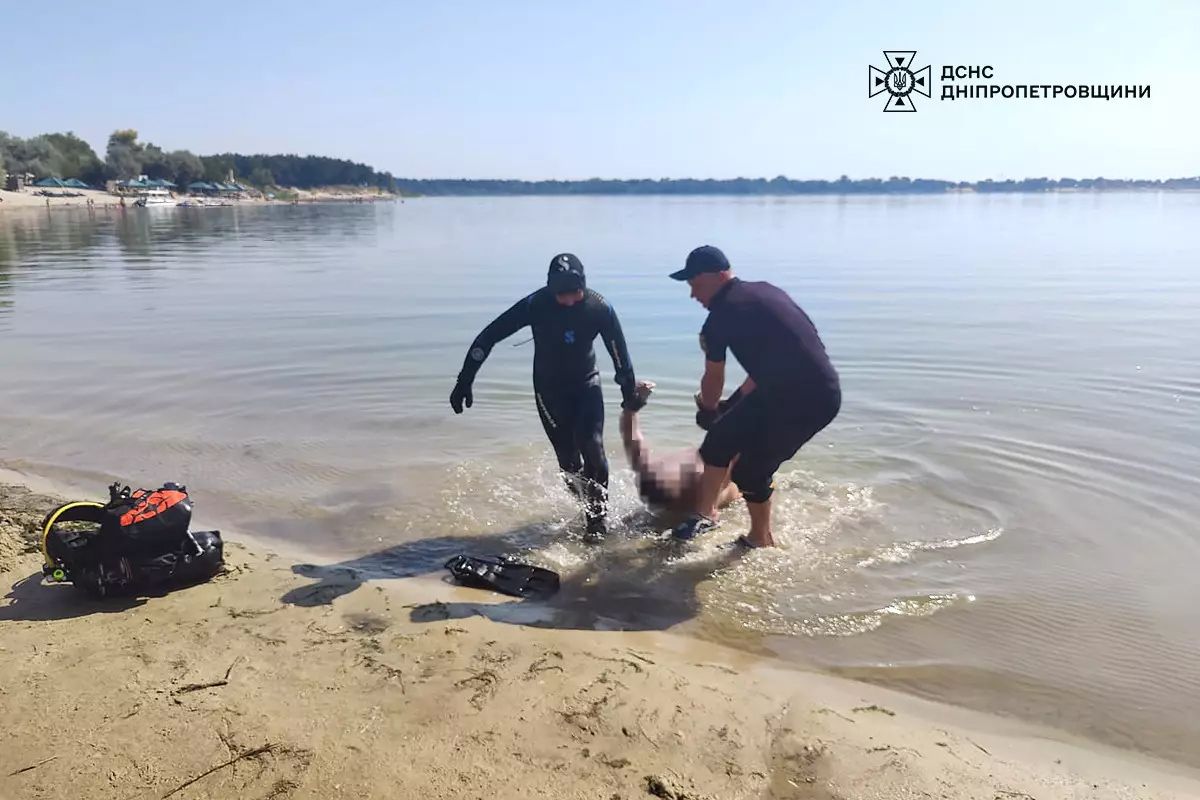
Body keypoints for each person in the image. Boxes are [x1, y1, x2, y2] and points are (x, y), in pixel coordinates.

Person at [450, 253, 644, 542]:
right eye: (561, 294)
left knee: (593, 445)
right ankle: (586, 506)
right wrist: (464, 380)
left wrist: (628, 391)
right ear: (551, 289)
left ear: (584, 287)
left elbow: (620, 354)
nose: (568, 300)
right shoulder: (536, 305)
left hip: (586, 384)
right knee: (568, 464)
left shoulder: (598, 308)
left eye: (575, 293)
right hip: (548, 390)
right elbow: (488, 336)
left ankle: (597, 522)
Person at [667, 245, 841, 548]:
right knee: (719, 439)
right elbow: (767, 366)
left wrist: (708, 411)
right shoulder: (765, 291)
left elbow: (713, 377)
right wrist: (731, 407)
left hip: (809, 401)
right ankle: (705, 514)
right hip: (791, 389)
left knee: (750, 470)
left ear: (719, 276)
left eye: (695, 285)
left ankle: (762, 538)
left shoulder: (720, 318)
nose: (693, 295)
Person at [618, 379, 742, 521]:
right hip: (712, 489)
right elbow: (733, 453)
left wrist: (632, 408)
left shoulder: (648, 473)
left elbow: (631, 437)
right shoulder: (706, 483)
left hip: (684, 494)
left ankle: (718, 416)